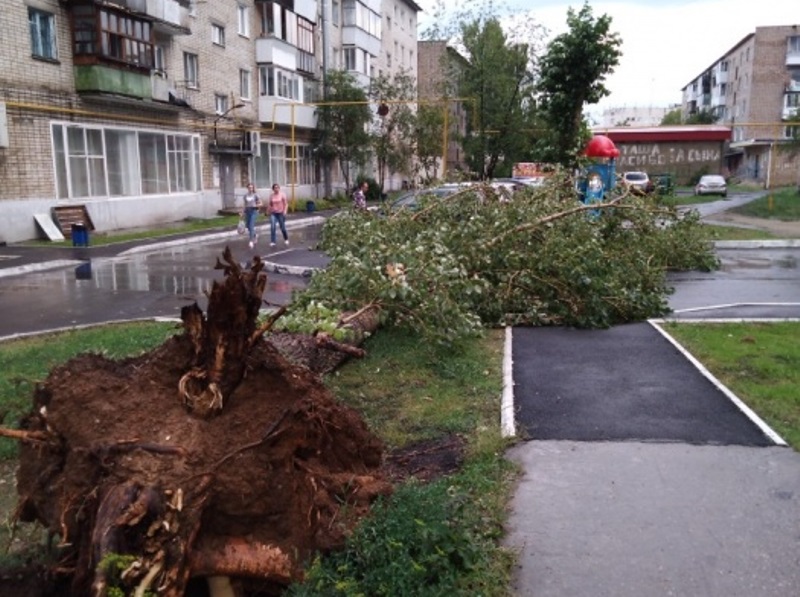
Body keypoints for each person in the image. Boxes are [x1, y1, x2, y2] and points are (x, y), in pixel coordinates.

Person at [240, 182, 262, 249]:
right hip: (247, 212)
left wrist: (255, 205)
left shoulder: (256, 195)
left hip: (254, 211)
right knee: (248, 226)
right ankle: (255, 235)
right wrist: (242, 212)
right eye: (249, 187)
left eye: (251, 187)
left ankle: (251, 241)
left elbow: (261, 203)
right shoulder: (245, 196)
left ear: (253, 188)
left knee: (251, 226)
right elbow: (245, 205)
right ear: (247, 188)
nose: (250, 189)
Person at [267, 183, 290, 247]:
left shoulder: (282, 194)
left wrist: (285, 211)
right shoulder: (271, 196)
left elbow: (286, 204)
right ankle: (273, 241)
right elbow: (270, 204)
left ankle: (286, 239)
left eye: (277, 188)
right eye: (275, 188)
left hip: (280, 213)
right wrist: (267, 211)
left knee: (282, 227)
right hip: (273, 213)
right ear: (273, 189)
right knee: (272, 226)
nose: (276, 189)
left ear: (279, 188)